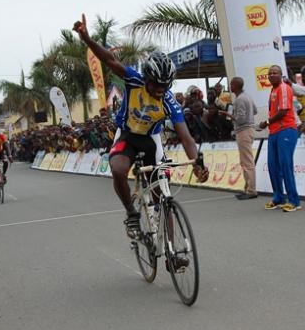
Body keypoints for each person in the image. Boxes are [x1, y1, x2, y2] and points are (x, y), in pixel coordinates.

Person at [73, 14, 208, 240]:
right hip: (126, 134)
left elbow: (185, 136)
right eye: (156, 84)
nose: (160, 89)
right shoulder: (134, 80)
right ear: (146, 78)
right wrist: (87, 39)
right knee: (118, 169)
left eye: (165, 85)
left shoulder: (168, 100)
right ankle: (132, 213)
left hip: (151, 139)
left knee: (161, 193)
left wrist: (196, 163)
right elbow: (109, 60)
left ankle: (173, 249)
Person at [258, 65, 301, 212]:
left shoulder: (283, 88)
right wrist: (268, 124)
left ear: (281, 75)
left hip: (286, 130)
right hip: (274, 132)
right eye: (269, 74)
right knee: (272, 165)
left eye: (275, 73)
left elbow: (283, 111)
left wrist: (267, 122)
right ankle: (278, 197)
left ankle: (294, 200)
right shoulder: (273, 90)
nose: (271, 75)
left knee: (285, 165)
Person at [226, 77, 258, 200]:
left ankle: (251, 190)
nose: (230, 86)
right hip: (249, 129)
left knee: (247, 161)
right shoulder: (247, 96)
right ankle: (248, 188)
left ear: (235, 86)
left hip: (243, 130)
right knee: (246, 161)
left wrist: (230, 115)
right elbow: (254, 110)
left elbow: (241, 119)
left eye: (231, 84)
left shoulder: (239, 99)